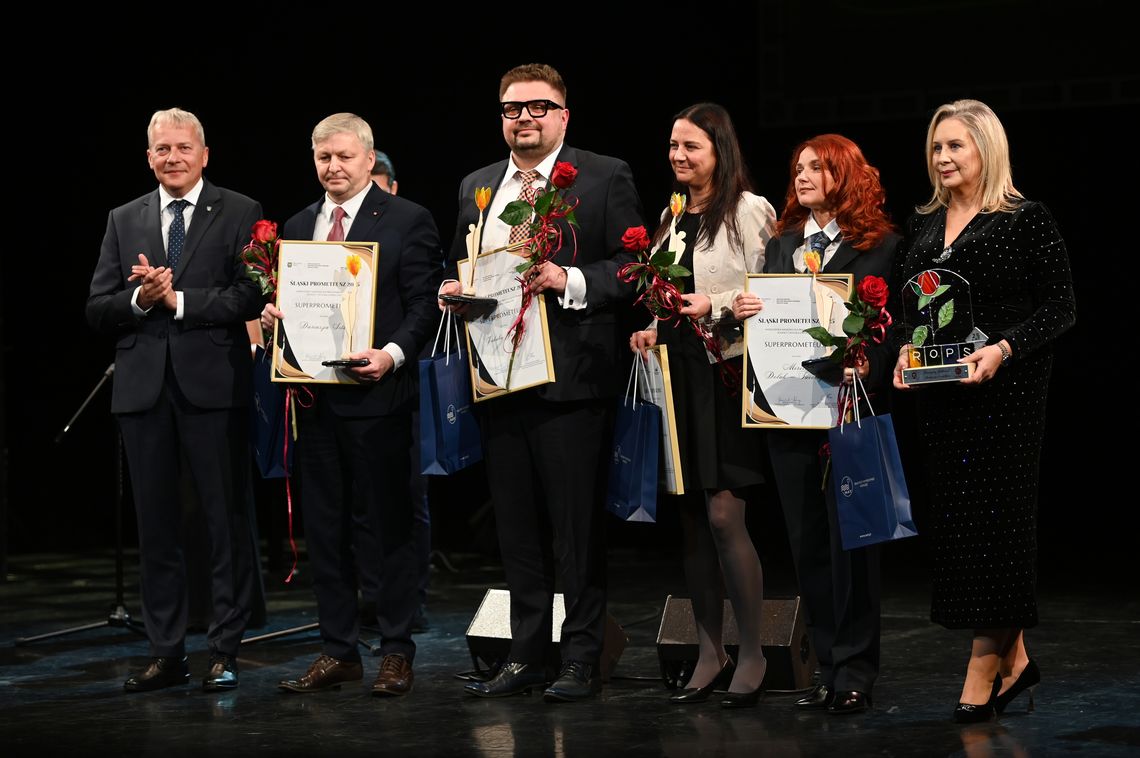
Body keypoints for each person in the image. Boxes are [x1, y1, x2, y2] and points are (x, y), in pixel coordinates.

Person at [440, 63, 643, 702]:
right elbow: (467, 260)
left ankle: (580, 656)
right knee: (517, 528)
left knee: (574, 529)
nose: (523, 118)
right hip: (499, 375)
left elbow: (633, 266)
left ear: (563, 115)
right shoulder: (478, 184)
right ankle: (526, 654)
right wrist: (455, 287)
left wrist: (570, 279)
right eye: (511, 108)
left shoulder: (603, 175)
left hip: (572, 379)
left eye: (537, 107)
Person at [891, 99, 1075, 722]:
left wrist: (1003, 348)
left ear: (986, 150)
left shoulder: (1025, 220)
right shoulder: (923, 226)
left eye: (955, 146)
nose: (942, 158)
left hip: (1007, 397)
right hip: (941, 402)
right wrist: (904, 353)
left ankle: (982, 664)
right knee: (962, 532)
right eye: (936, 147)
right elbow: (911, 312)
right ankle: (1016, 661)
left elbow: (1061, 307)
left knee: (999, 528)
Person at [265, 113, 441, 697]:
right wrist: (275, 318)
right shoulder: (298, 224)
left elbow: (424, 305)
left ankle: (395, 651)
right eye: (324, 158)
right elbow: (296, 302)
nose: (333, 167)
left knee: (389, 529)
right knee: (325, 531)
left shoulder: (407, 218)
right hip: (315, 401)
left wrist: (392, 354)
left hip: (380, 398)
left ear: (369, 158)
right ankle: (338, 650)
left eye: (344, 156)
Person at [86, 107, 262, 692]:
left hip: (213, 388)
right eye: (162, 149)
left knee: (223, 523)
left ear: (204, 155)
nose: (173, 157)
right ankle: (166, 651)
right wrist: (140, 301)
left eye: (184, 147)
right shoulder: (123, 218)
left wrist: (177, 301)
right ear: (149, 157)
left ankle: (225, 649)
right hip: (143, 393)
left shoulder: (240, 211)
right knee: (157, 527)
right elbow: (97, 308)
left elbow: (248, 295)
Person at [734, 134, 900, 714]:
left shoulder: (881, 246)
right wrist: (746, 311)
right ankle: (827, 668)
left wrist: (869, 361)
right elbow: (768, 322)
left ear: (844, 175)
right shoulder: (781, 244)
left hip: (848, 412)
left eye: (817, 168)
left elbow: (896, 328)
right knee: (807, 547)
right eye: (798, 168)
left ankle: (856, 672)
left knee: (852, 546)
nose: (802, 176)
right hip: (789, 411)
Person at [629, 103, 776, 708]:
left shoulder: (748, 210)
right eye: (673, 145)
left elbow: (770, 289)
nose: (679, 156)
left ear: (719, 150)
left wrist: (712, 304)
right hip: (677, 374)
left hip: (725, 373)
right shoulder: (670, 215)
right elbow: (665, 292)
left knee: (723, 515)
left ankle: (754, 651)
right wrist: (650, 328)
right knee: (691, 517)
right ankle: (711, 651)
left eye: (692, 146)